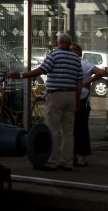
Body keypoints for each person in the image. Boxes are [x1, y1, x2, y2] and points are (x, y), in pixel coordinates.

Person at [10, 33, 82, 171]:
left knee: (53, 129)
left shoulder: (54, 55)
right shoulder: (75, 58)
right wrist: (77, 99)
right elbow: (79, 80)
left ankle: (52, 161)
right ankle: (67, 162)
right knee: (68, 131)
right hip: (71, 95)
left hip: (56, 95)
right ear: (69, 43)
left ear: (57, 42)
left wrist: (20, 75)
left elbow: (40, 70)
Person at [69, 43, 105, 167]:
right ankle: (78, 156)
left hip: (80, 98)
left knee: (78, 128)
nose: (70, 52)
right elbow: (100, 72)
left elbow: (100, 71)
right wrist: (87, 82)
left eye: (71, 49)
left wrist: (86, 82)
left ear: (78, 52)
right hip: (79, 98)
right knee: (78, 128)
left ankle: (80, 156)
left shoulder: (83, 63)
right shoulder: (81, 63)